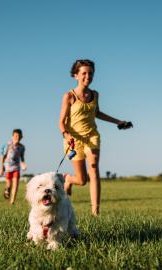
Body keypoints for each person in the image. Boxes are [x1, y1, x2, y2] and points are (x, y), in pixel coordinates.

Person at [59, 59, 132, 216]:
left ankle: (95, 212)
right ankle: (68, 179)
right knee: (82, 180)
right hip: (74, 140)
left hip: (92, 136)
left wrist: (118, 122)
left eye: (90, 73)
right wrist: (66, 136)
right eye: (84, 73)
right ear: (76, 75)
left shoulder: (95, 94)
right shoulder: (69, 96)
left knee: (94, 170)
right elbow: (61, 122)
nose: (87, 76)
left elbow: (97, 113)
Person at [0, 129, 26, 204]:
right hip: (7, 167)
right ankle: (7, 190)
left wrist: (23, 164)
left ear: (21, 137)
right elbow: (2, 157)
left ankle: (12, 201)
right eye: (16, 136)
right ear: (12, 136)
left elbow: (22, 157)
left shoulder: (22, 147)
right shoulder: (7, 145)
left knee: (16, 184)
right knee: (9, 185)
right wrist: (1, 167)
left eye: (19, 136)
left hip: (16, 168)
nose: (17, 137)